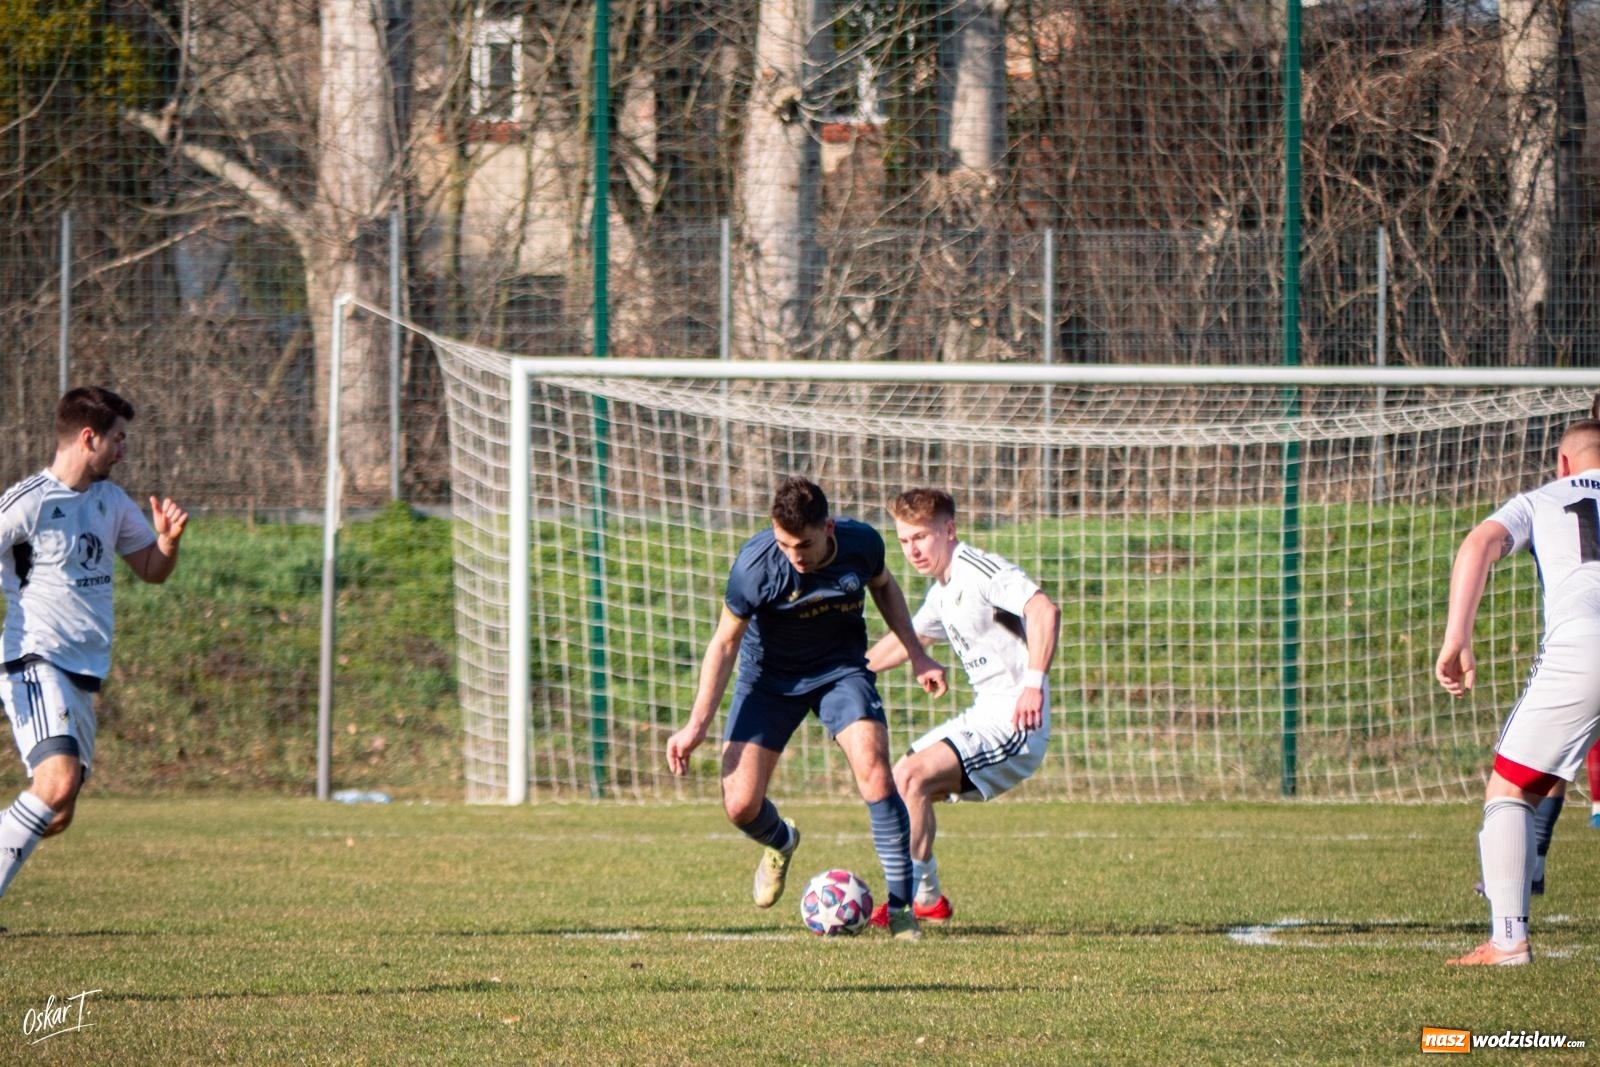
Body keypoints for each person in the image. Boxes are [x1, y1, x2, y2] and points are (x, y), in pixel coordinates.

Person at [665, 476, 946, 940]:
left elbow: (885, 588)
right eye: (783, 543)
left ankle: (900, 909)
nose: (793, 555)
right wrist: (696, 726)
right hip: (769, 679)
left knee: (876, 771)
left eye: (803, 544)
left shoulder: (862, 544)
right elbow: (723, 644)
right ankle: (781, 842)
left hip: (841, 671)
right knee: (739, 805)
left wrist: (916, 653)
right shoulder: (755, 568)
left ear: (829, 528)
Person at [0, 387, 188, 916]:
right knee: (56, 786)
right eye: (118, 439)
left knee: (56, 811)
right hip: (34, 660)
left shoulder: (111, 502)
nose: (123, 450)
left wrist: (168, 543)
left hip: (84, 672)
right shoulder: (28, 503)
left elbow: (150, 570)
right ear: (89, 438)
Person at [1436, 418, 1600, 965]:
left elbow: (1480, 542)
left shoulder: (1539, 499)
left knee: (1510, 790)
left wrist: (1457, 636)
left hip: (1585, 645)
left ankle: (1507, 941)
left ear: (1563, 463)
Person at [863, 488, 1060, 928]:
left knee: (909, 777)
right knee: (900, 782)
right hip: (985, 713)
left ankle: (904, 904)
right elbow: (908, 641)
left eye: (920, 538)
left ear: (949, 531)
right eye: (903, 541)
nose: (912, 550)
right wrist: (846, 672)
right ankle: (928, 897)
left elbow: (1044, 610)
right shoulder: (941, 591)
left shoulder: (980, 571)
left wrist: (1034, 684)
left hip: (1016, 721)